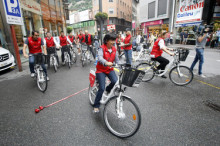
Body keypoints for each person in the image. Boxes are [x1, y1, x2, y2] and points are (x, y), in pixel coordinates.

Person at [93, 33, 119, 113]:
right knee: (101, 88)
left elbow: (117, 60)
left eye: (114, 40)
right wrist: (106, 62)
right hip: (101, 70)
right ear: (107, 40)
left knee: (115, 82)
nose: (113, 42)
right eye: (111, 40)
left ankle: (108, 90)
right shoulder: (101, 48)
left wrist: (122, 65)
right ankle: (96, 105)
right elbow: (100, 57)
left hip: (109, 69)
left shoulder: (114, 49)